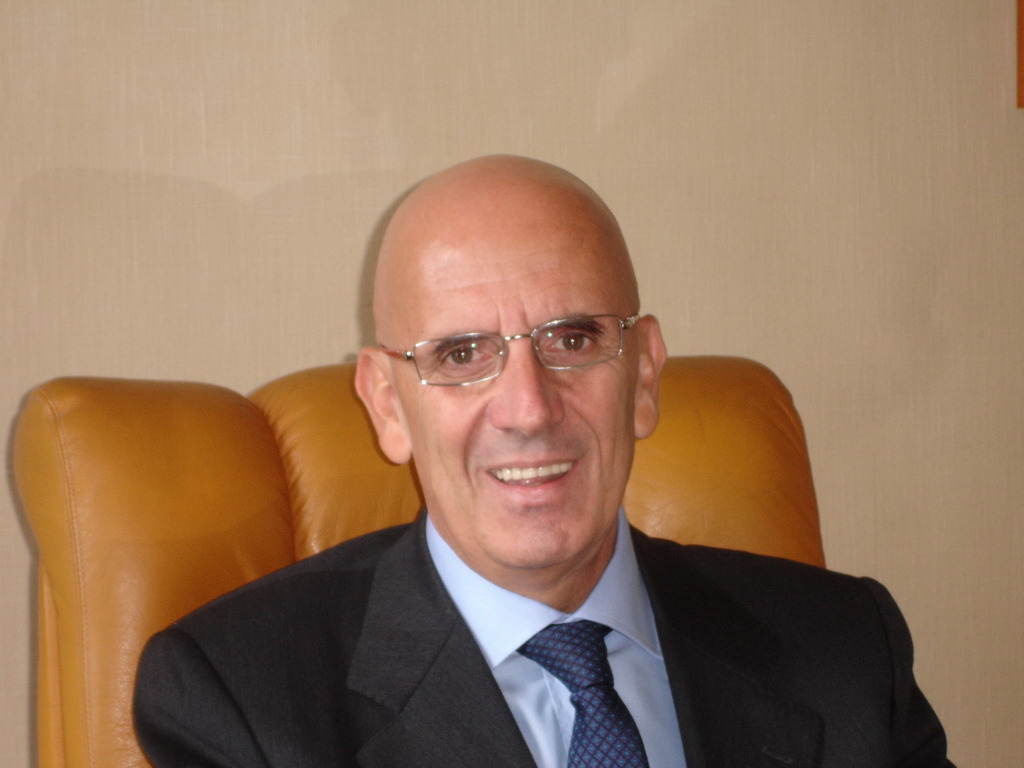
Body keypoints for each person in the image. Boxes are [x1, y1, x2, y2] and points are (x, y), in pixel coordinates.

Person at [134, 155, 953, 767]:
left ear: (644, 375)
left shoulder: (846, 650)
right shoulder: (240, 698)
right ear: (387, 404)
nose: (528, 409)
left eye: (573, 339)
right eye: (461, 354)